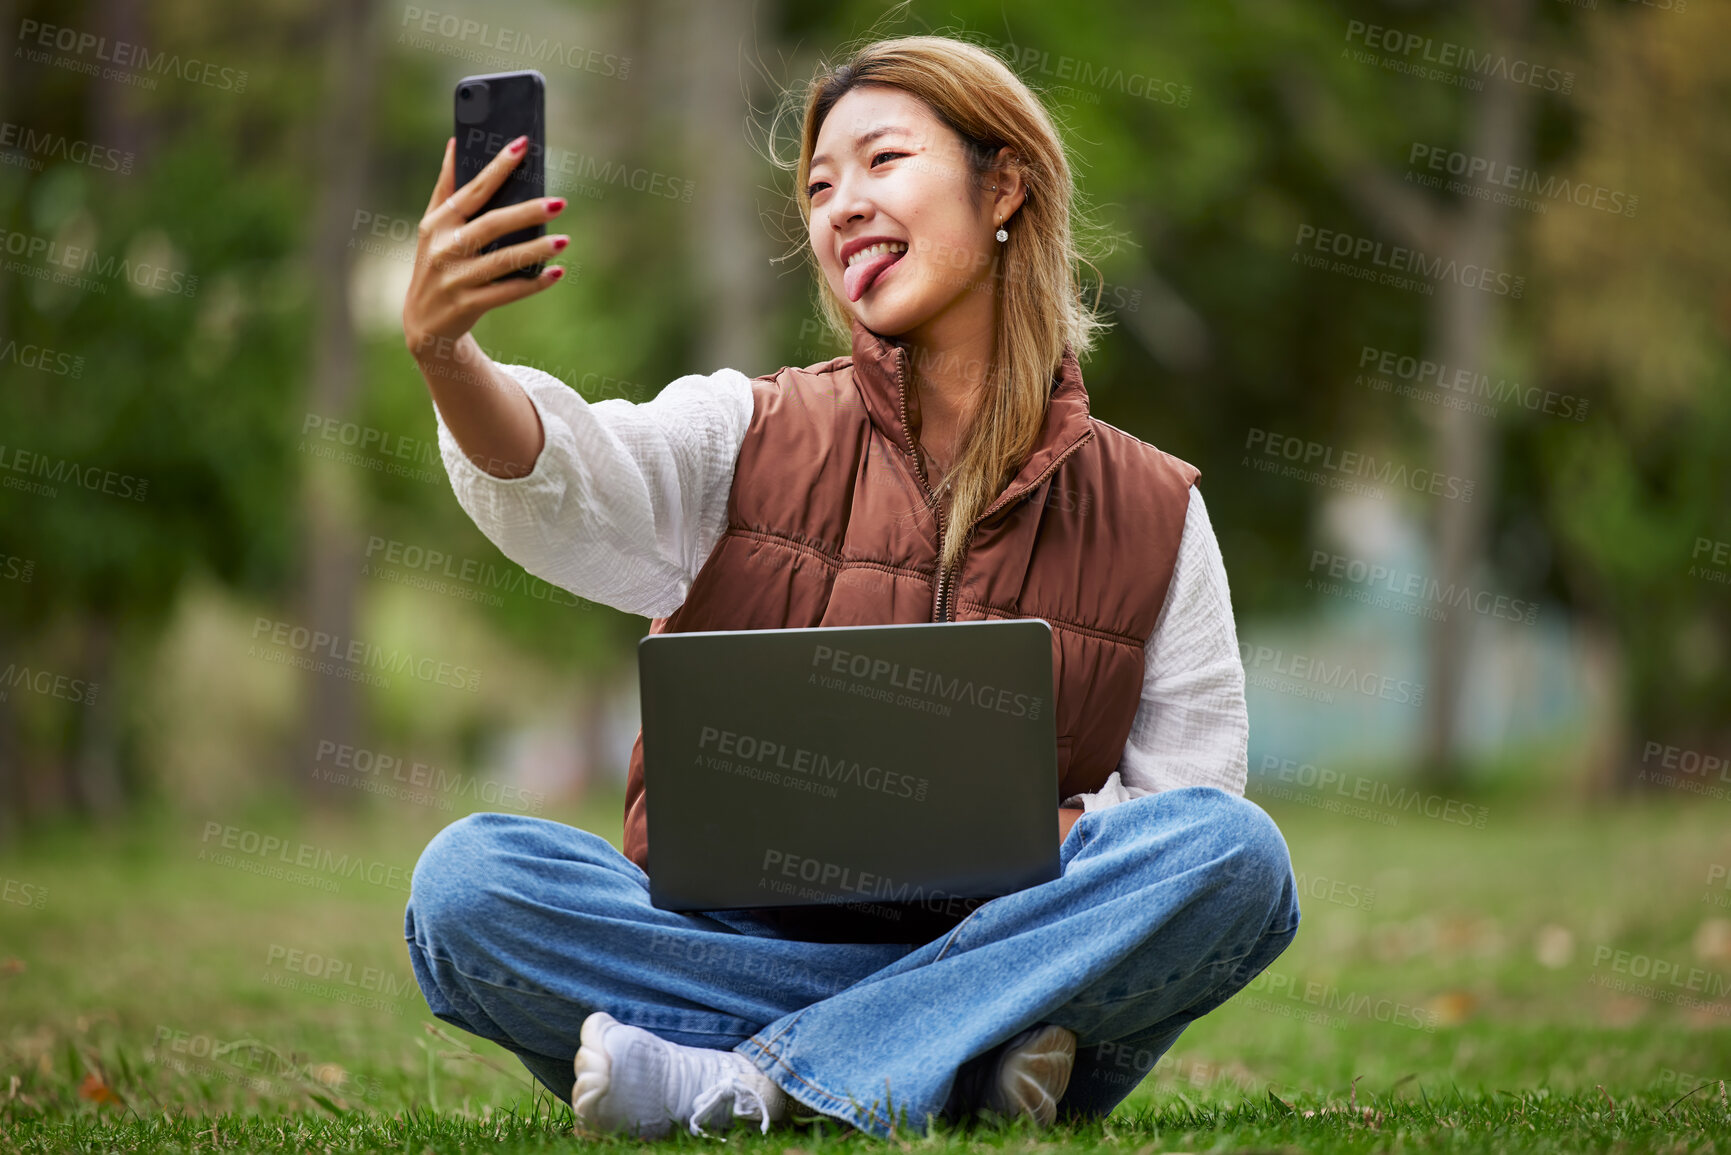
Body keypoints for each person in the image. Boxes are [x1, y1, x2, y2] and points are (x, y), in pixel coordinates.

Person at [397, 34, 1299, 1141]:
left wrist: (1044, 831)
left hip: (1010, 953)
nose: (840, 207)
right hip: (751, 946)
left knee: (1237, 858)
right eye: (820, 186)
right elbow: (572, 472)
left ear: (1004, 182)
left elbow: (1187, 803)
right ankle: (949, 1076)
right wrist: (449, 355)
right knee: (469, 885)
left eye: (882, 161)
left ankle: (739, 1081)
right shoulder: (750, 429)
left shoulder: (1156, 509)